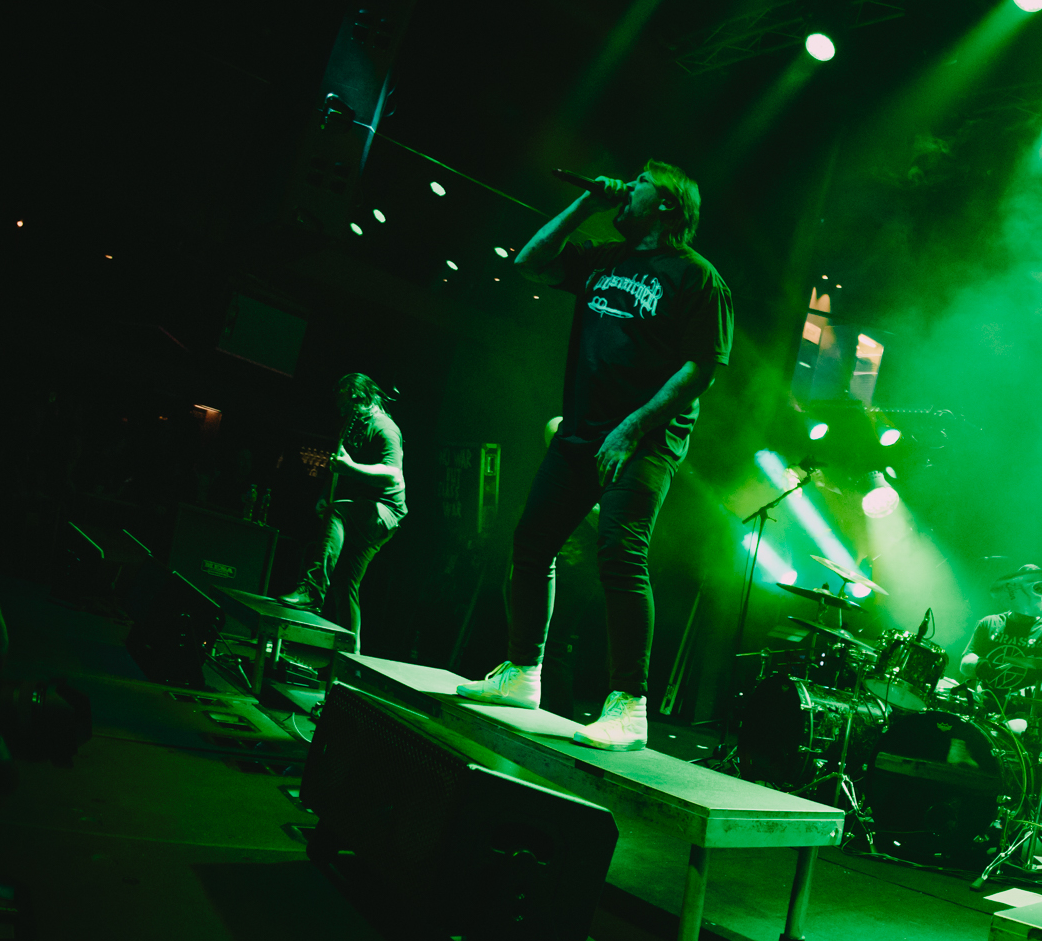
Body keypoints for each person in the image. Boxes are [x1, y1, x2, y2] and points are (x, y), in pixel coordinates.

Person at [457, 161, 732, 752]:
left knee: (620, 558)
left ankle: (630, 707)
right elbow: (529, 261)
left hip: (643, 440)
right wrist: (586, 204)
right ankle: (521, 672)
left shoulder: (698, 278)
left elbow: (701, 368)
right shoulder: (605, 257)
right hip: (581, 432)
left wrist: (632, 429)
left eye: (639, 184)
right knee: (532, 543)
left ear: (666, 204)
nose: (626, 188)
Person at [280, 374, 404, 650]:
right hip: (366, 512)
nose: (343, 411)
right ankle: (351, 654)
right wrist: (325, 495)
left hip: (385, 512)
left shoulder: (385, 428)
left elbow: (393, 475)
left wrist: (350, 470)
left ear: (361, 398)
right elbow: (339, 464)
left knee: (339, 512)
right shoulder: (353, 425)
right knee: (345, 582)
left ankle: (312, 590)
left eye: (347, 405)